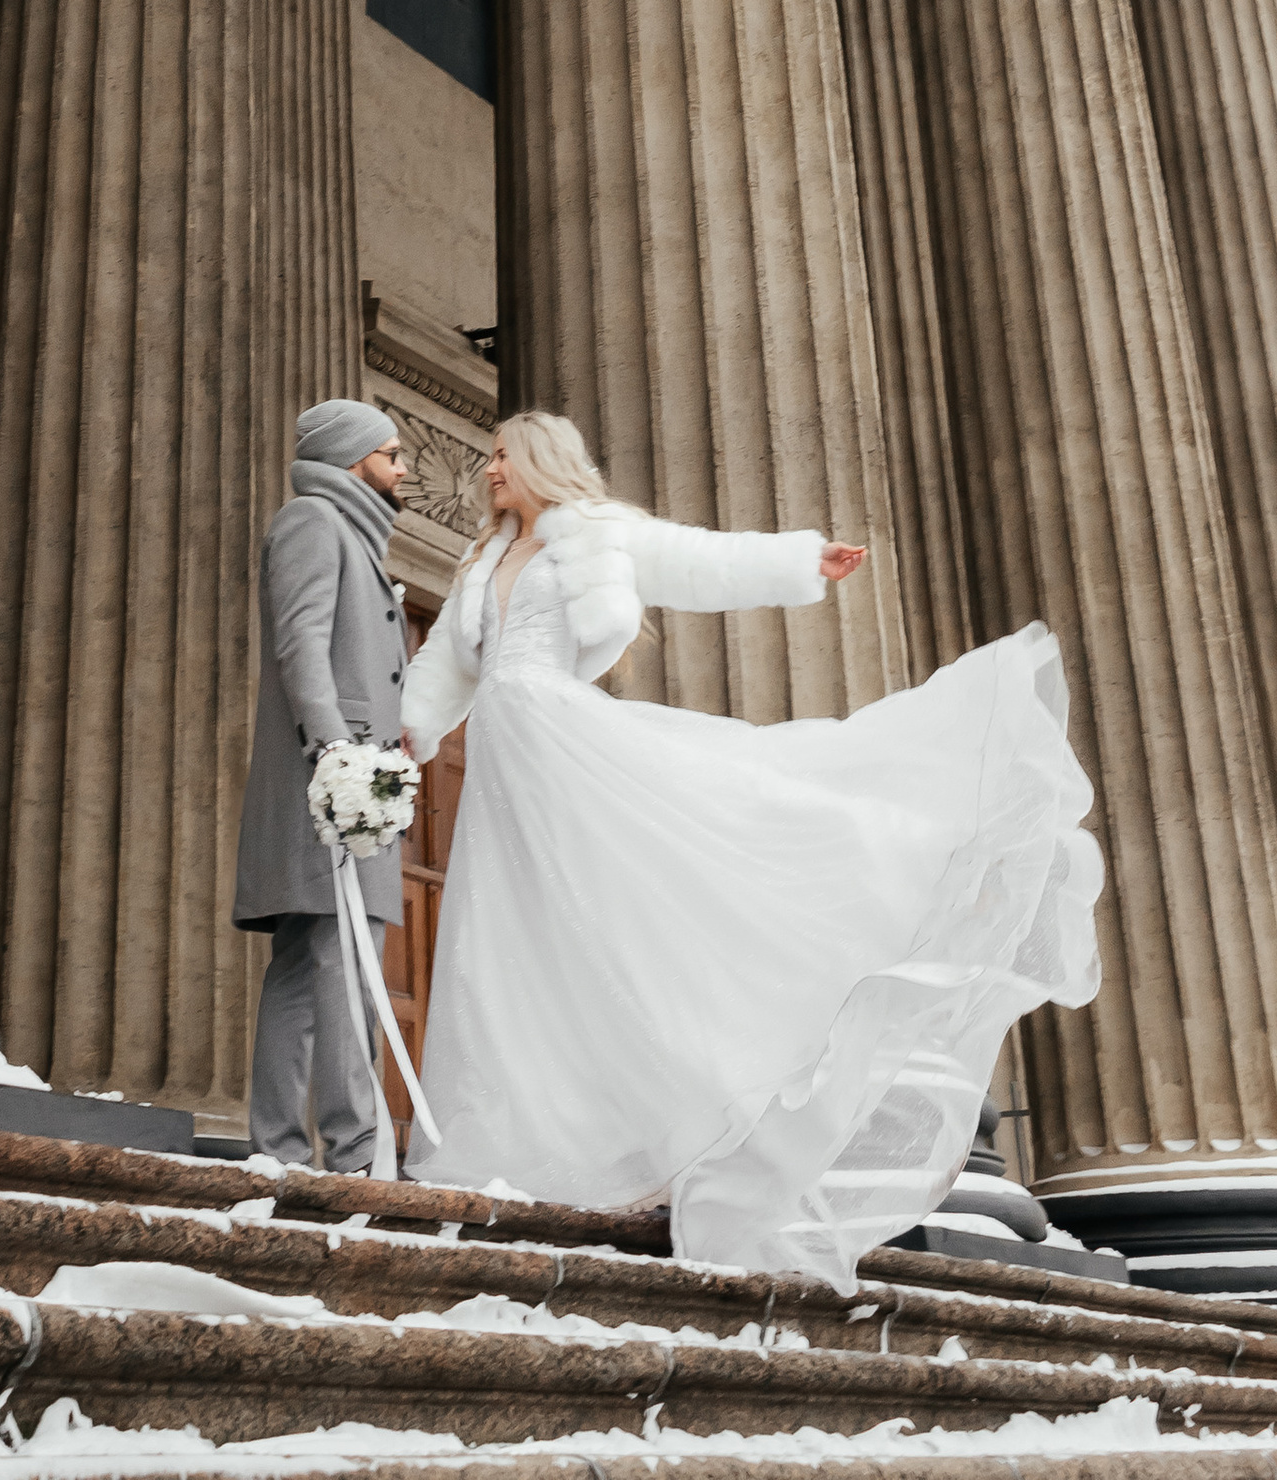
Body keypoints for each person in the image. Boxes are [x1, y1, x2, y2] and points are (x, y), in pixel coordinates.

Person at [398, 409, 1101, 1283]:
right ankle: (529, 1138)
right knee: (511, 945)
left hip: (564, 741)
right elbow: (444, 670)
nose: (490, 469)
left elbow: (698, 559)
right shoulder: (482, 559)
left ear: (543, 461)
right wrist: (407, 734)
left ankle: (711, 1088)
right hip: (503, 764)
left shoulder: (597, 535)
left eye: (504, 455)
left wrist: (800, 561)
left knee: (639, 899)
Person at [234, 395, 413, 1170]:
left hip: (350, 778)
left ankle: (278, 1149)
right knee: (342, 957)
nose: (403, 469)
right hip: (335, 779)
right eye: (392, 454)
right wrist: (337, 754)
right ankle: (355, 1152)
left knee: (311, 963)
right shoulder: (314, 521)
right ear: (351, 460)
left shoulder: (350, 532)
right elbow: (300, 643)